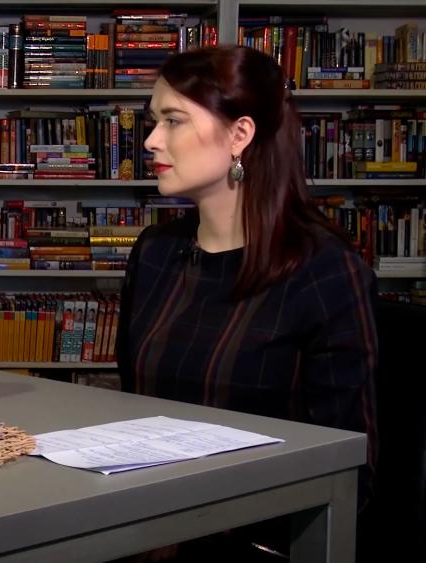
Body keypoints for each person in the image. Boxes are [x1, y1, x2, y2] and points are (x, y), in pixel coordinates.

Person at [117, 45, 377, 560]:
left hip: (258, 542)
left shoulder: (324, 273)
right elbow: (135, 415)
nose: (151, 140)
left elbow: (351, 470)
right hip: (141, 526)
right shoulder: (155, 253)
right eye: (153, 121)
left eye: (173, 121)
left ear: (240, 134)